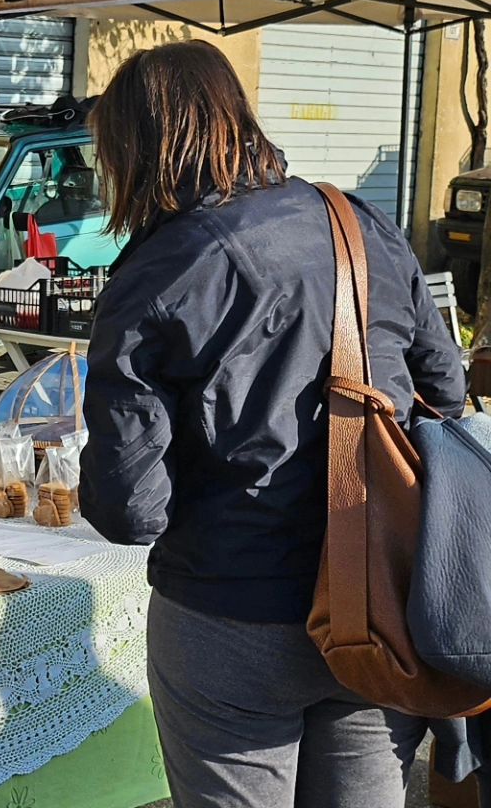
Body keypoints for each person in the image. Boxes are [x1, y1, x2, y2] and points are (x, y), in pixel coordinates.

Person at [79, 40, 464, 808]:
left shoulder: (155, 272)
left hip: (231, 610)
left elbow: (131, 510)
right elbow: (445, 395)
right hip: (378, 597)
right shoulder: (359, 224)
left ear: (136, 149)